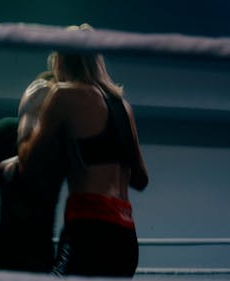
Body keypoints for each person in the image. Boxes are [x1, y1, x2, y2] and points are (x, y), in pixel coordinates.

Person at [16, 24, 149, 277]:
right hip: (125, 237)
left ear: (61, 59)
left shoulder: (64, 95)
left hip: (88, 230)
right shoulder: (123, 106)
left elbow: (29, 164)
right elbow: (141, 179)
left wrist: (28, 116)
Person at [0, 71, 64, 273]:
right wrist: (1, 173)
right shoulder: (8, 129)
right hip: (6, 245)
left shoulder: (61, 141)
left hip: (41, 249)